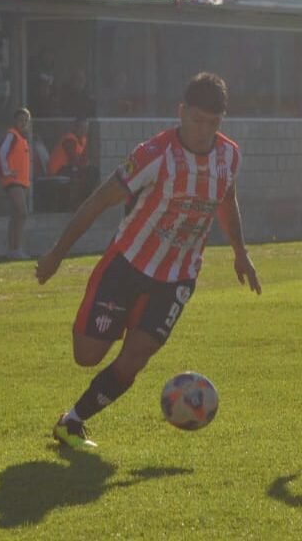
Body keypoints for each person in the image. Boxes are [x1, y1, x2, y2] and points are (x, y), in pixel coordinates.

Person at [35, 72, 262, 449]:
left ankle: (72, 421)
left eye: (213, 123)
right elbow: (98, 200)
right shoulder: (154, 155)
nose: (203, 130)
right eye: (196, 120)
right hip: (126, 265)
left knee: (136, 356)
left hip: (178, 277)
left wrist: (241, 253)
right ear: (181, 112)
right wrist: (57, 254)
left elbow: (226, 198)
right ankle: (119, 320)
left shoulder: (229, 155)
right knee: (86, 355)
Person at [0, 107, 32, 259]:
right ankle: (16, 248)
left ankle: (12, 249)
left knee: (16, 214)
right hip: (13, 180)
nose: (23, 123)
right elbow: (2, 152)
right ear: (15, 121)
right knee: (22, 213)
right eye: (20, 120)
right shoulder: (12, 135)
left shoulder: (22, 138)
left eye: (26, 120)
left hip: (20, 181)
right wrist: (7, 171)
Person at [47, 117, 100, 210]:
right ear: (76, 128)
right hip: (58, 170)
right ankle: (78, 203)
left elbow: (84, 158)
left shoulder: (83, 139)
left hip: (69, 167)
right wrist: (83, 164)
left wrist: (84, 163)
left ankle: (84, 201)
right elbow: (74, 159)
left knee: (92, 171)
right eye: (82, 128)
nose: (84, 131)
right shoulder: (69, 139)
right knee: (86, 173)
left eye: (86, 128)